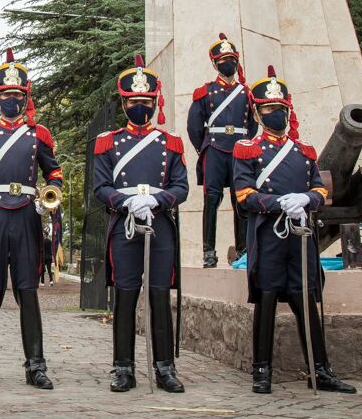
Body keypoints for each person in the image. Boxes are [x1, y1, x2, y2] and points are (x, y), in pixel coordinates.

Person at [233, 66, 356, 395]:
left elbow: (320, 190)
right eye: (270, 110)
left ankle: (320, 370)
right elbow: (244, 195)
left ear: (289, 111)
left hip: (301, 238)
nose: (277, 115)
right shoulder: (248, 149)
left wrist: (305, 198)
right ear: (259, 113)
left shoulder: (304, 152)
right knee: (268, 299)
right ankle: (262, 370)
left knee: (306, 301)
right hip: (270, 235)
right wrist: (278, 203)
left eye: (281, 109)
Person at [0, 49, 63, 390]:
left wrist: (50, 197)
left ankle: (36, 366)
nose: (12, 101)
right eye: (6, 96)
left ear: (25, 96)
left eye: (17, 96)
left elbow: (55, 173)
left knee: (28, 292)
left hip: (27, 217)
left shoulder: (38, 136)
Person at [93, 55, 188, 392]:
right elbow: (101, 187)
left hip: (159, 224)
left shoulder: (170, 143)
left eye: (146, 102)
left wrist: (156, 201)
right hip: (125, 224)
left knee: (160, 294)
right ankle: (123, 367)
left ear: (154, 102)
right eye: (134, 101)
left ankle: (165, 368)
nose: (140, 107)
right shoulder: (108, 142)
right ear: (124, 102)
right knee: (125, 294)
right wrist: (127, 201)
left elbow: (181, 187)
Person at [187, 33, 256, 268]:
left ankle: (243, 249)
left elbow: (252, 126)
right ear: (215, 63)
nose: (229, 63)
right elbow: (194, 126)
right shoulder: (205, 92)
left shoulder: (247, 93)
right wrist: (204, 148)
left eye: (232, 58)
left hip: (238, 150)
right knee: (212, 200)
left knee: (242, 200)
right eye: (223, 59)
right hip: (214, 149)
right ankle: (209, 251)